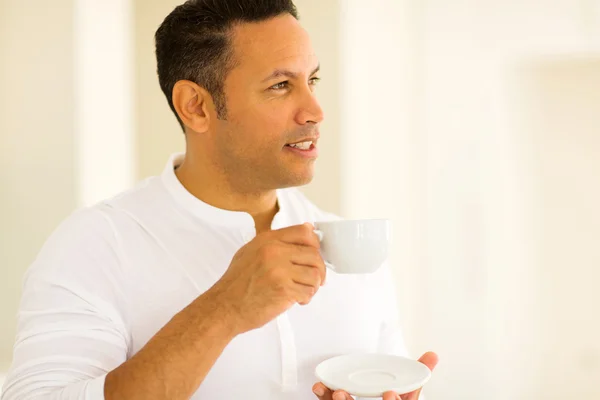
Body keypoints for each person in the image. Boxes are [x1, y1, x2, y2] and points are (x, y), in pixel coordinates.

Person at [1, 1, 437, 399]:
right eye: (281, 85)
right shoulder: (96, 245)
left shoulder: (354, 252)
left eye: (312, 80)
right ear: (196, 106)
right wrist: (223, 308)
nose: (314, 110)